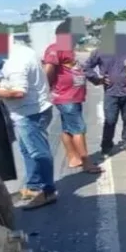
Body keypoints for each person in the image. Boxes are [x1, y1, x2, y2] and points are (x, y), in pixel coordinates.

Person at [0, 40, 57, 209]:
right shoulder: (24, 50)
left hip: (29, 113)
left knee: (38, 152)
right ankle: (33, 186)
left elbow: (18, 92)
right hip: (35, 108)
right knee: (27, 150)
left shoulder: (16, 63)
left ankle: (47, 191)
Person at [43, 41, 100, 174]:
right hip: (65, 97)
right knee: (78, 129)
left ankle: (73, 157)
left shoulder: (69, 49)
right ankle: (87, 163)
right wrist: (48, 88)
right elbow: (49, 69)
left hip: (73, 96)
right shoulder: (55, 48)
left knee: (68, 128)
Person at [84, 49, 126, 155]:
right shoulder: (99, 52)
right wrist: (98, 79)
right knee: (110, 120)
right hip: (111, 92)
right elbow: (86, 67)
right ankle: (106, 146)